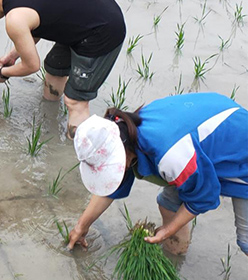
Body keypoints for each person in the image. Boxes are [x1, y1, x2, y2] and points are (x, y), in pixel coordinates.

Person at [66, 92, 248, 257]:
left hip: (239, 149)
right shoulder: (126, 130)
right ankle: (175, 257)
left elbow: (204, 197)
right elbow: (111, 188)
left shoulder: (170, 155)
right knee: (168, 205)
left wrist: (168, 230)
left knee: (245, 241)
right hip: (208, 132)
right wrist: (82, 225)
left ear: (123, 155)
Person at [0, 0, 126, 138]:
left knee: (75, 101)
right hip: (93, 15)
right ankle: (50, 124)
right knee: (55, 68)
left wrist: (3, 74)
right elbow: (40, 23)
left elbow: (32, 66)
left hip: (103, 31)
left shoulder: (14, 18)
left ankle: (74, 154)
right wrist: (13, 56)